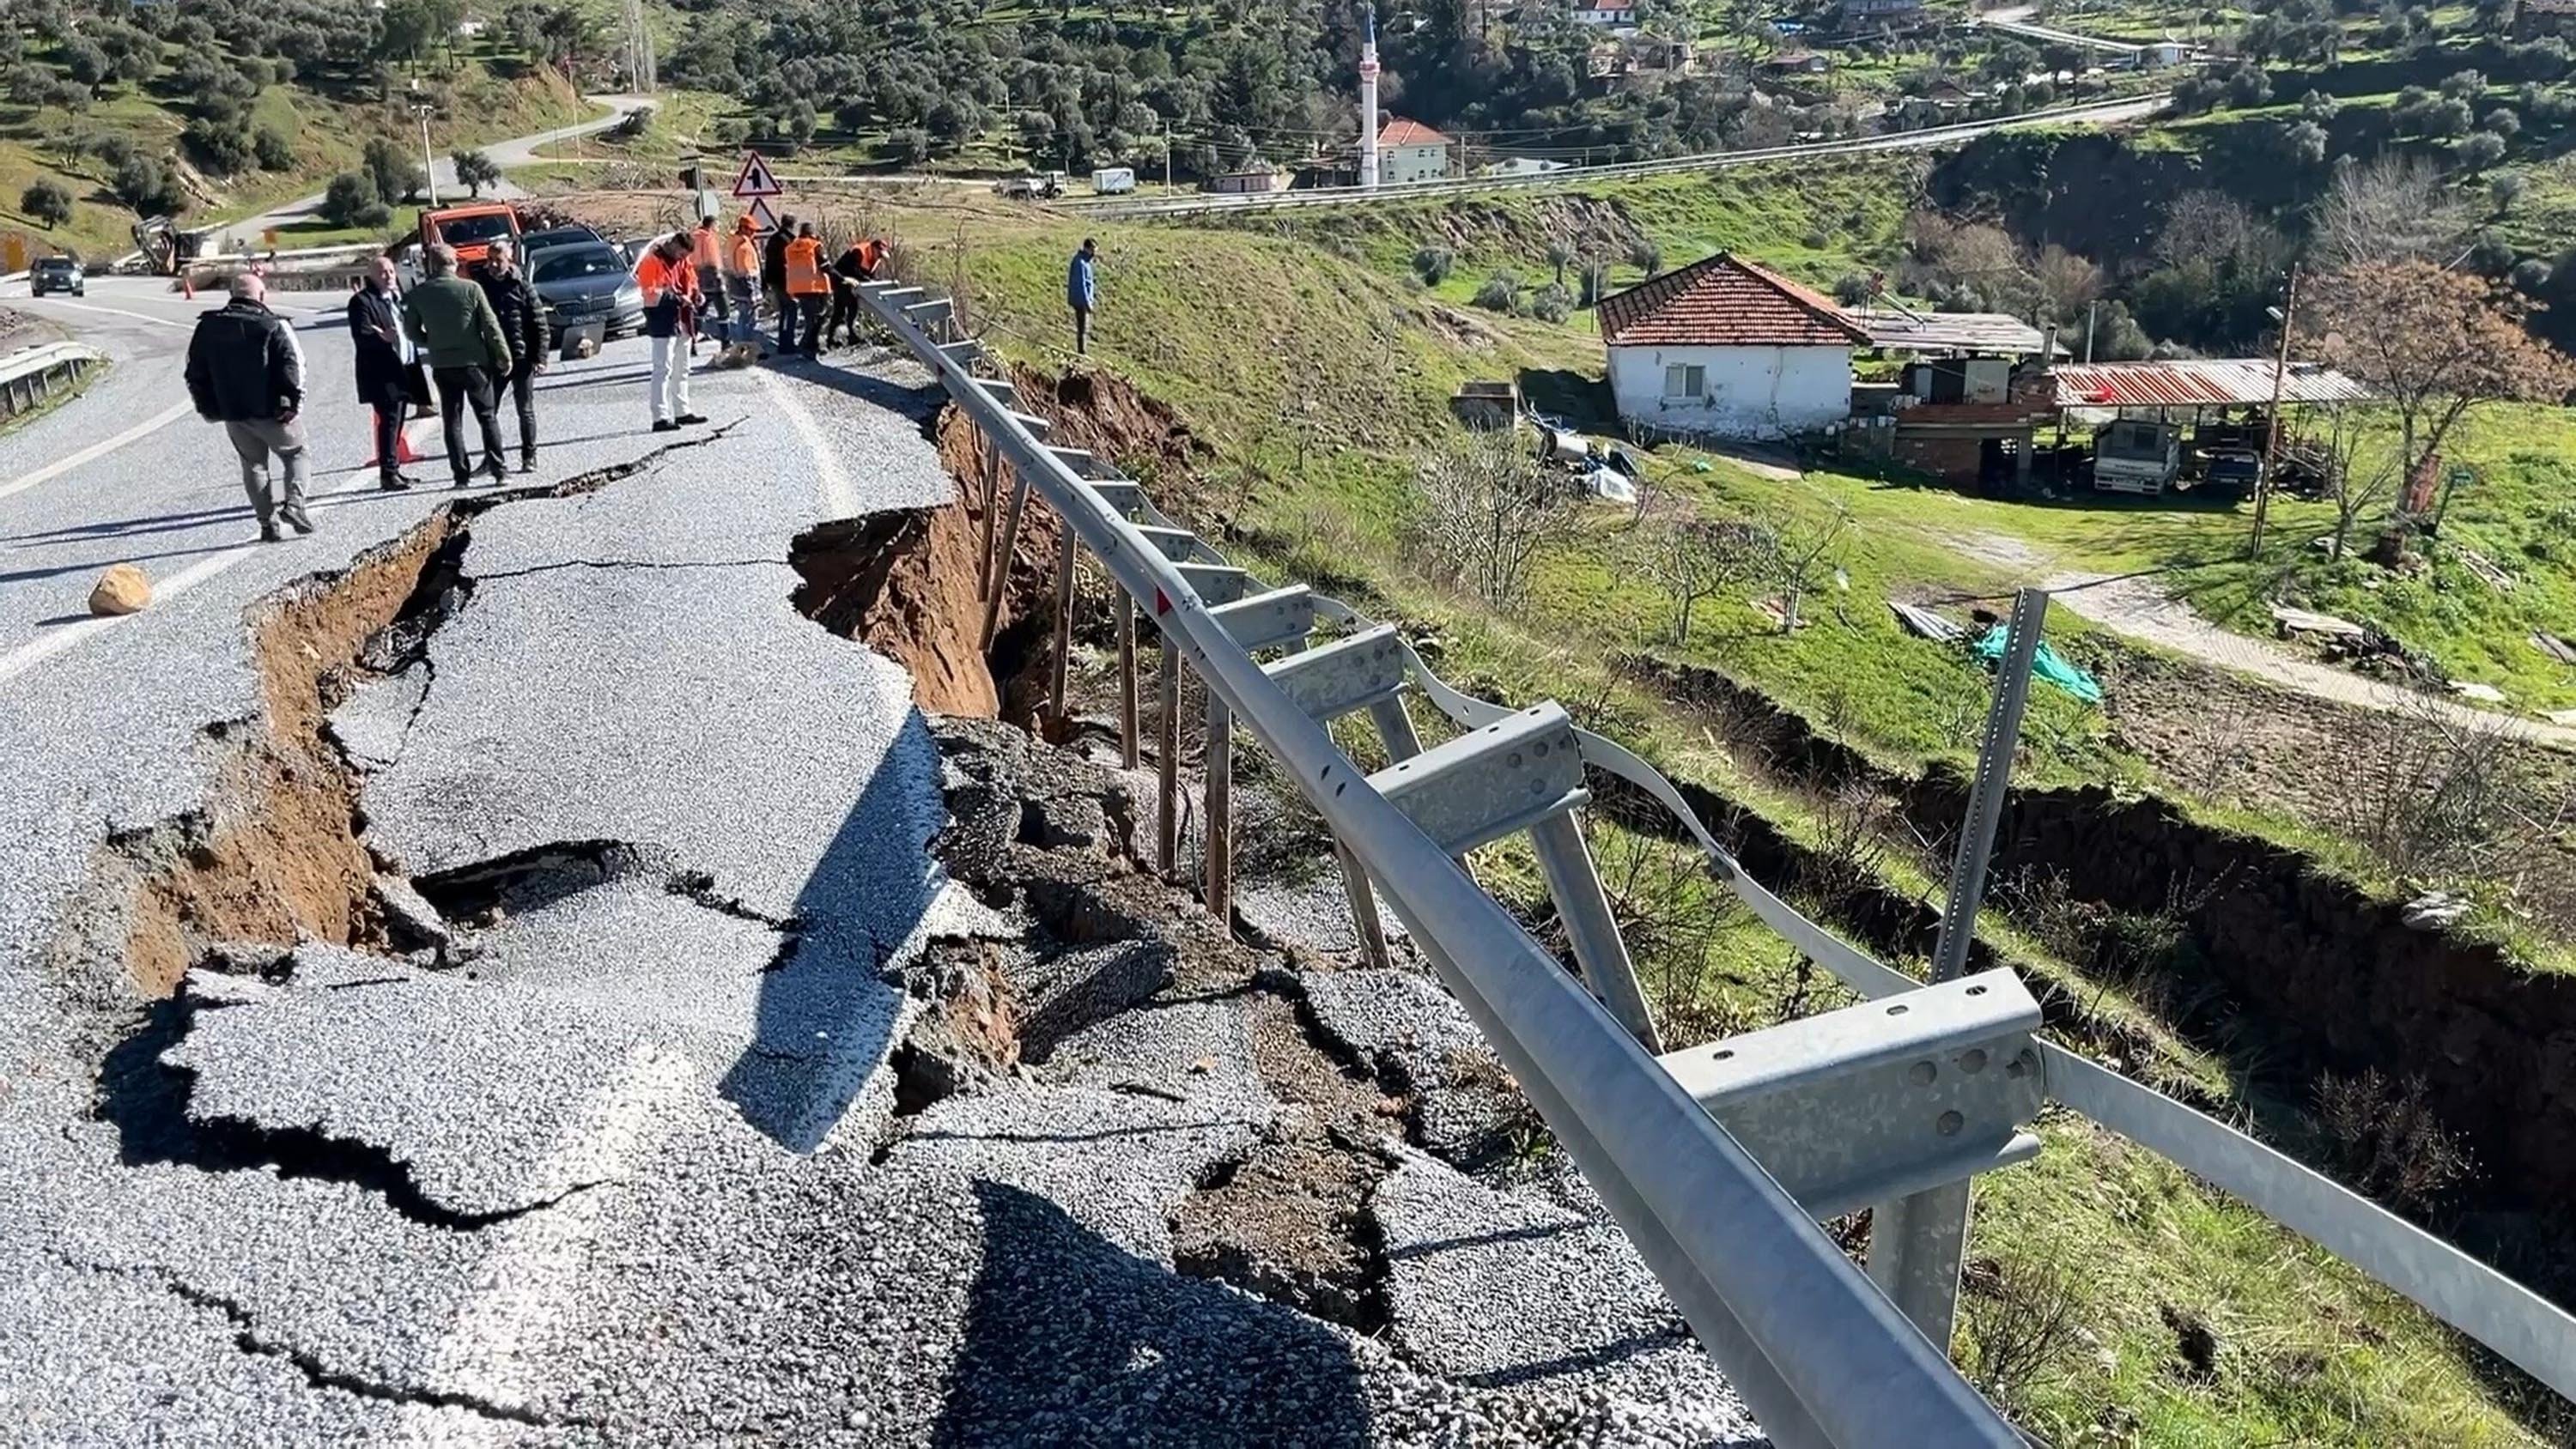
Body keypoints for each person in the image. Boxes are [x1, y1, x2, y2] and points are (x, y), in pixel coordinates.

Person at [185, 271, 311, 543]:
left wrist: (207, 407)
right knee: (296, 454)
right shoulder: (273, 325)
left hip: (233, 411)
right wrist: (294, 403)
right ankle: (295, 505)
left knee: (253, 464)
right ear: (261, 296)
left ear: (232, 296)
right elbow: (293, 365)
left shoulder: (207, 327)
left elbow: (195, 372)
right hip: (274, 411)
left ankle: (267, 524)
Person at [399, 241, 513, 488]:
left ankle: (460, 475)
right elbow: (490, 326)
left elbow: (410, 330)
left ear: (431, 265)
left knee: (452, 420)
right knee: (487, 417)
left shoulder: (419, 294)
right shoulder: (471, 289)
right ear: (454, 264)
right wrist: (503, 356)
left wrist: (431, 342)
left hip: (442, 364)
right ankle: (499, 470)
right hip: (474, 362)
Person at [476, 237, 550, 474]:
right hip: (494, 358)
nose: (493, 265)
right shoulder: (481, 286)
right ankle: (491, 460)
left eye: (498, 260)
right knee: (489, 412)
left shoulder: (522, 286)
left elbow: (540, 324)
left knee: (524, 409)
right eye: (490, 260)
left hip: (522, 358)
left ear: (509, 260)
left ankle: (529, 456)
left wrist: (541, 357)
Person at [348, 257, 421, 491]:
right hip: (382, 371)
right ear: (371, 276)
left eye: (391, 271)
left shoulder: (397, 298)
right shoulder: (362, 302)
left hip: (404, 366)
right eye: (383, 273)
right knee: (388, 421)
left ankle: (395, 469)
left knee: (398, 420)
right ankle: (388, 474)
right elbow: (362, 335)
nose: (389, 276)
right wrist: (381, 338)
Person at [634, 232, 708, 433]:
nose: (683, 258)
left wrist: (696, 294)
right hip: (662, 318)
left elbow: (691, 280)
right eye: (682, 254)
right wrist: (676, 299)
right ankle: (660, 417)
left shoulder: (682, 261)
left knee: (682, 367)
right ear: (674, 245)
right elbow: (650, 294)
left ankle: (682, 411)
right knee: (662, 368)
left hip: (682, 317)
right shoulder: (651, 261)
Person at [822, 233, 882, 349]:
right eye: (879, 253)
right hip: (841, 280)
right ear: (874, 248)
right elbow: (853, 270)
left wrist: (871, 281)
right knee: (850, 306)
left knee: (840, 311)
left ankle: (833, 339)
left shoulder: (875, 257)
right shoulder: (859, 251)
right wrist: (866, 280)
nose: (880, 256)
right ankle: (850, 336)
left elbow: (869, 274)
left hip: (849, 282)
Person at [784, 221, 829, 359]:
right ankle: (805, 347)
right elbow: (825, 266)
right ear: (812, 233)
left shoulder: (790, 248)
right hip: (814, 287)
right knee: (817, 319)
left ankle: (813, 346)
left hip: (797, 288)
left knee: (811, 319)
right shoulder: (815, 246)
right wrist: (841, 278)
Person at [724, 215, 762, 350]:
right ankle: (745, 347)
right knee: (748, 319)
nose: (754, 233)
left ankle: (742, 346)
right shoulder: (744, 247)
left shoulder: (732, 242)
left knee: (743, 317)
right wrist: (752, 295)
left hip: (736, 287)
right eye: (752, 230)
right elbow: (747, 272)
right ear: (744, 229)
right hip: (746, 288)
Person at [762, 212, 797, 354]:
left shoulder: (773, 239)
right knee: (792, 309)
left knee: (784, 310)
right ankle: (787, 343)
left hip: (773, 279)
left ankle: (783, 342)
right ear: (792, 225)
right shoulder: (788, 241)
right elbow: (788, 263)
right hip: (784, 280)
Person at [691, 215, 727, 335]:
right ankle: (725, 341)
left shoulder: (694, 236)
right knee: (723, 311)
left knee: (699, 310)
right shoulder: (709, 238)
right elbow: (713, 259)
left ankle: (693, 340)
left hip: (697, 278)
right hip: (713, 278)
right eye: (717, 225)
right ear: (711, 225)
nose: (718, 228)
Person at [1066, 236, 1098, 355]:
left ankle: (1083, 351)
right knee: (1083, 328)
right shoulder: (1080, 262)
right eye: (1093, 249)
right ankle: (1082, 353)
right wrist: (1087, 302)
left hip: (1083, 300)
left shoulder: (1086, 262)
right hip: (1080, 300)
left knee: (1084, 327)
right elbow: (1081, 284)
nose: (1094, 252)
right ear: (1087, 248)